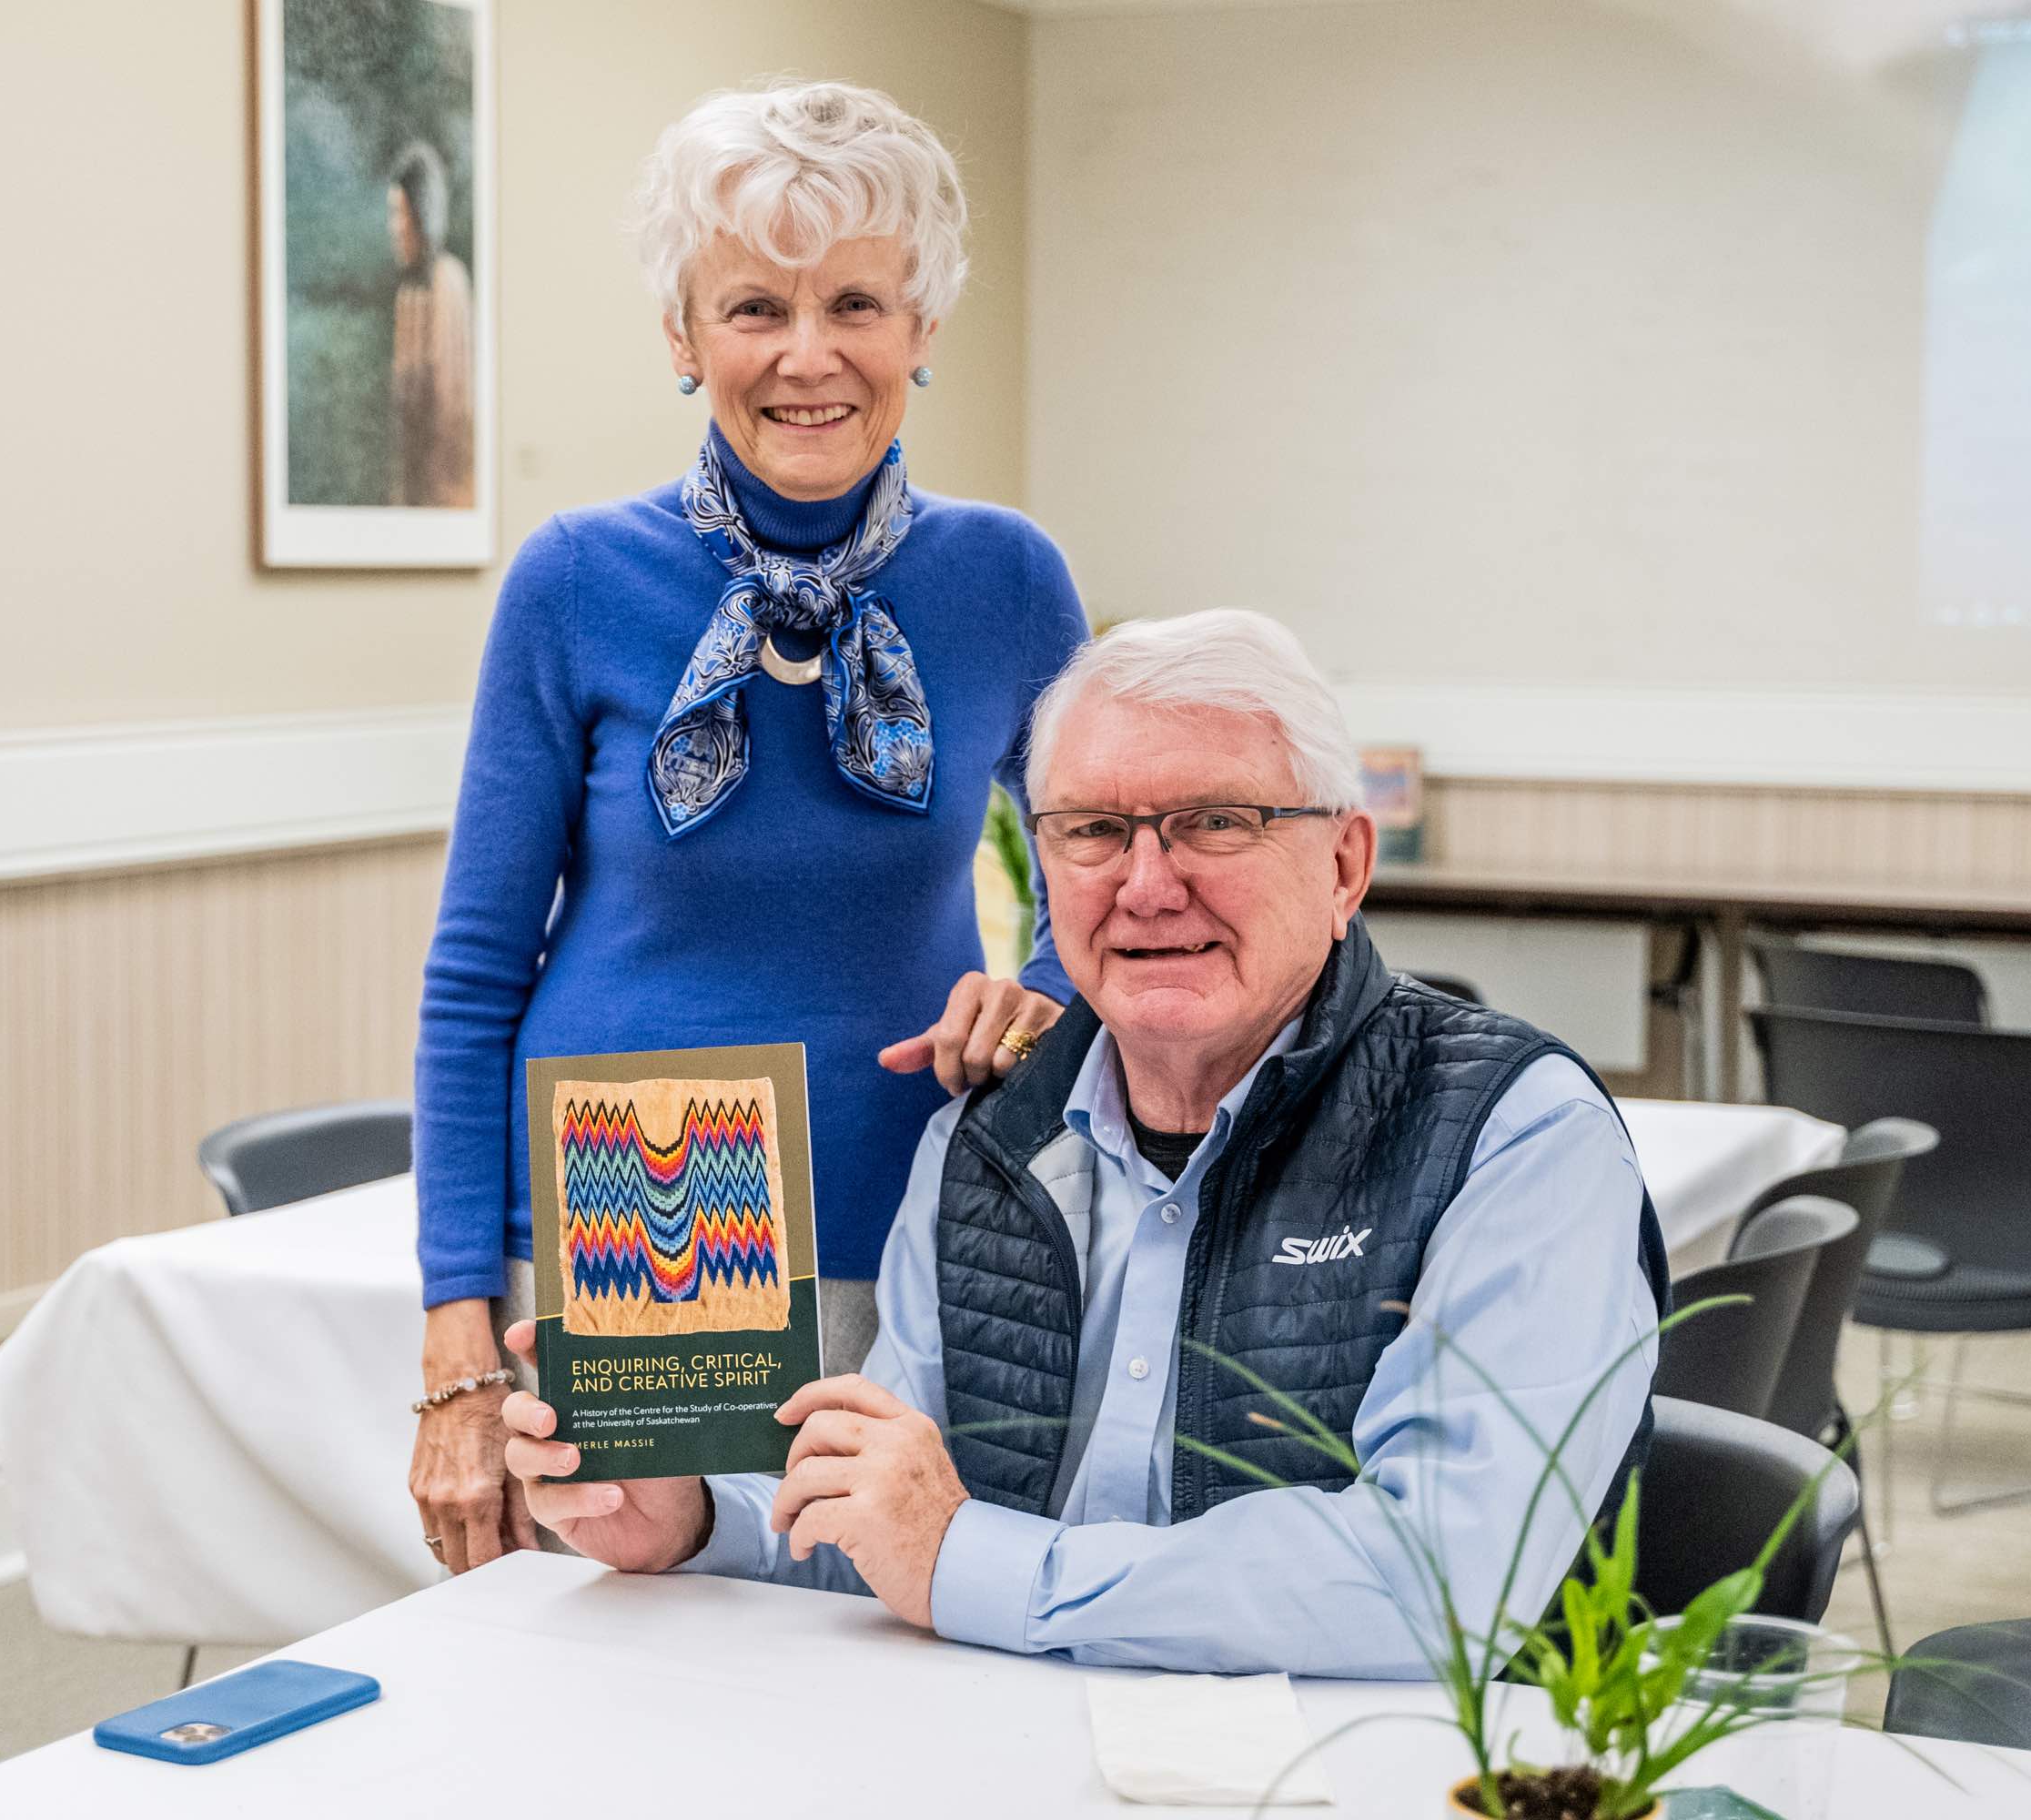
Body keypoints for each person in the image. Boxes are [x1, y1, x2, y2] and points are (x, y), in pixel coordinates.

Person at [498, 611, 1668, 1676]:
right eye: (1096, 831)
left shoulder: (1514, 1137)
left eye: (1219, 821)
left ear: (1344, 864)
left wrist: (969, 1559)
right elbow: (889, 1528)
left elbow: (1444, 1583)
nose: (1149, 883)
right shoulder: (980, 1140)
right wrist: (696, 1516)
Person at [409, 81, 1088, 1577]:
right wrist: (459, 1350)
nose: (806, 355)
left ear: (922, 327)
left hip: (918, 1214)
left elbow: (1115, 873)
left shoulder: (1011, 581)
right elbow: (470, 981)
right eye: (753, 307)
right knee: (622, 1697)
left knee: (892, 1667)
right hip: (621, 1237)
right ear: (681, 336)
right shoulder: (574, 580)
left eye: (855, 300)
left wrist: (1046, 993)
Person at [386, 139, 477, 509]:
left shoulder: (447, 280)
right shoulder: (408, 294)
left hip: (444, 496)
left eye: (400, 213)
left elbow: (449, 417)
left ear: (422, 214)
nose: (394, 228)